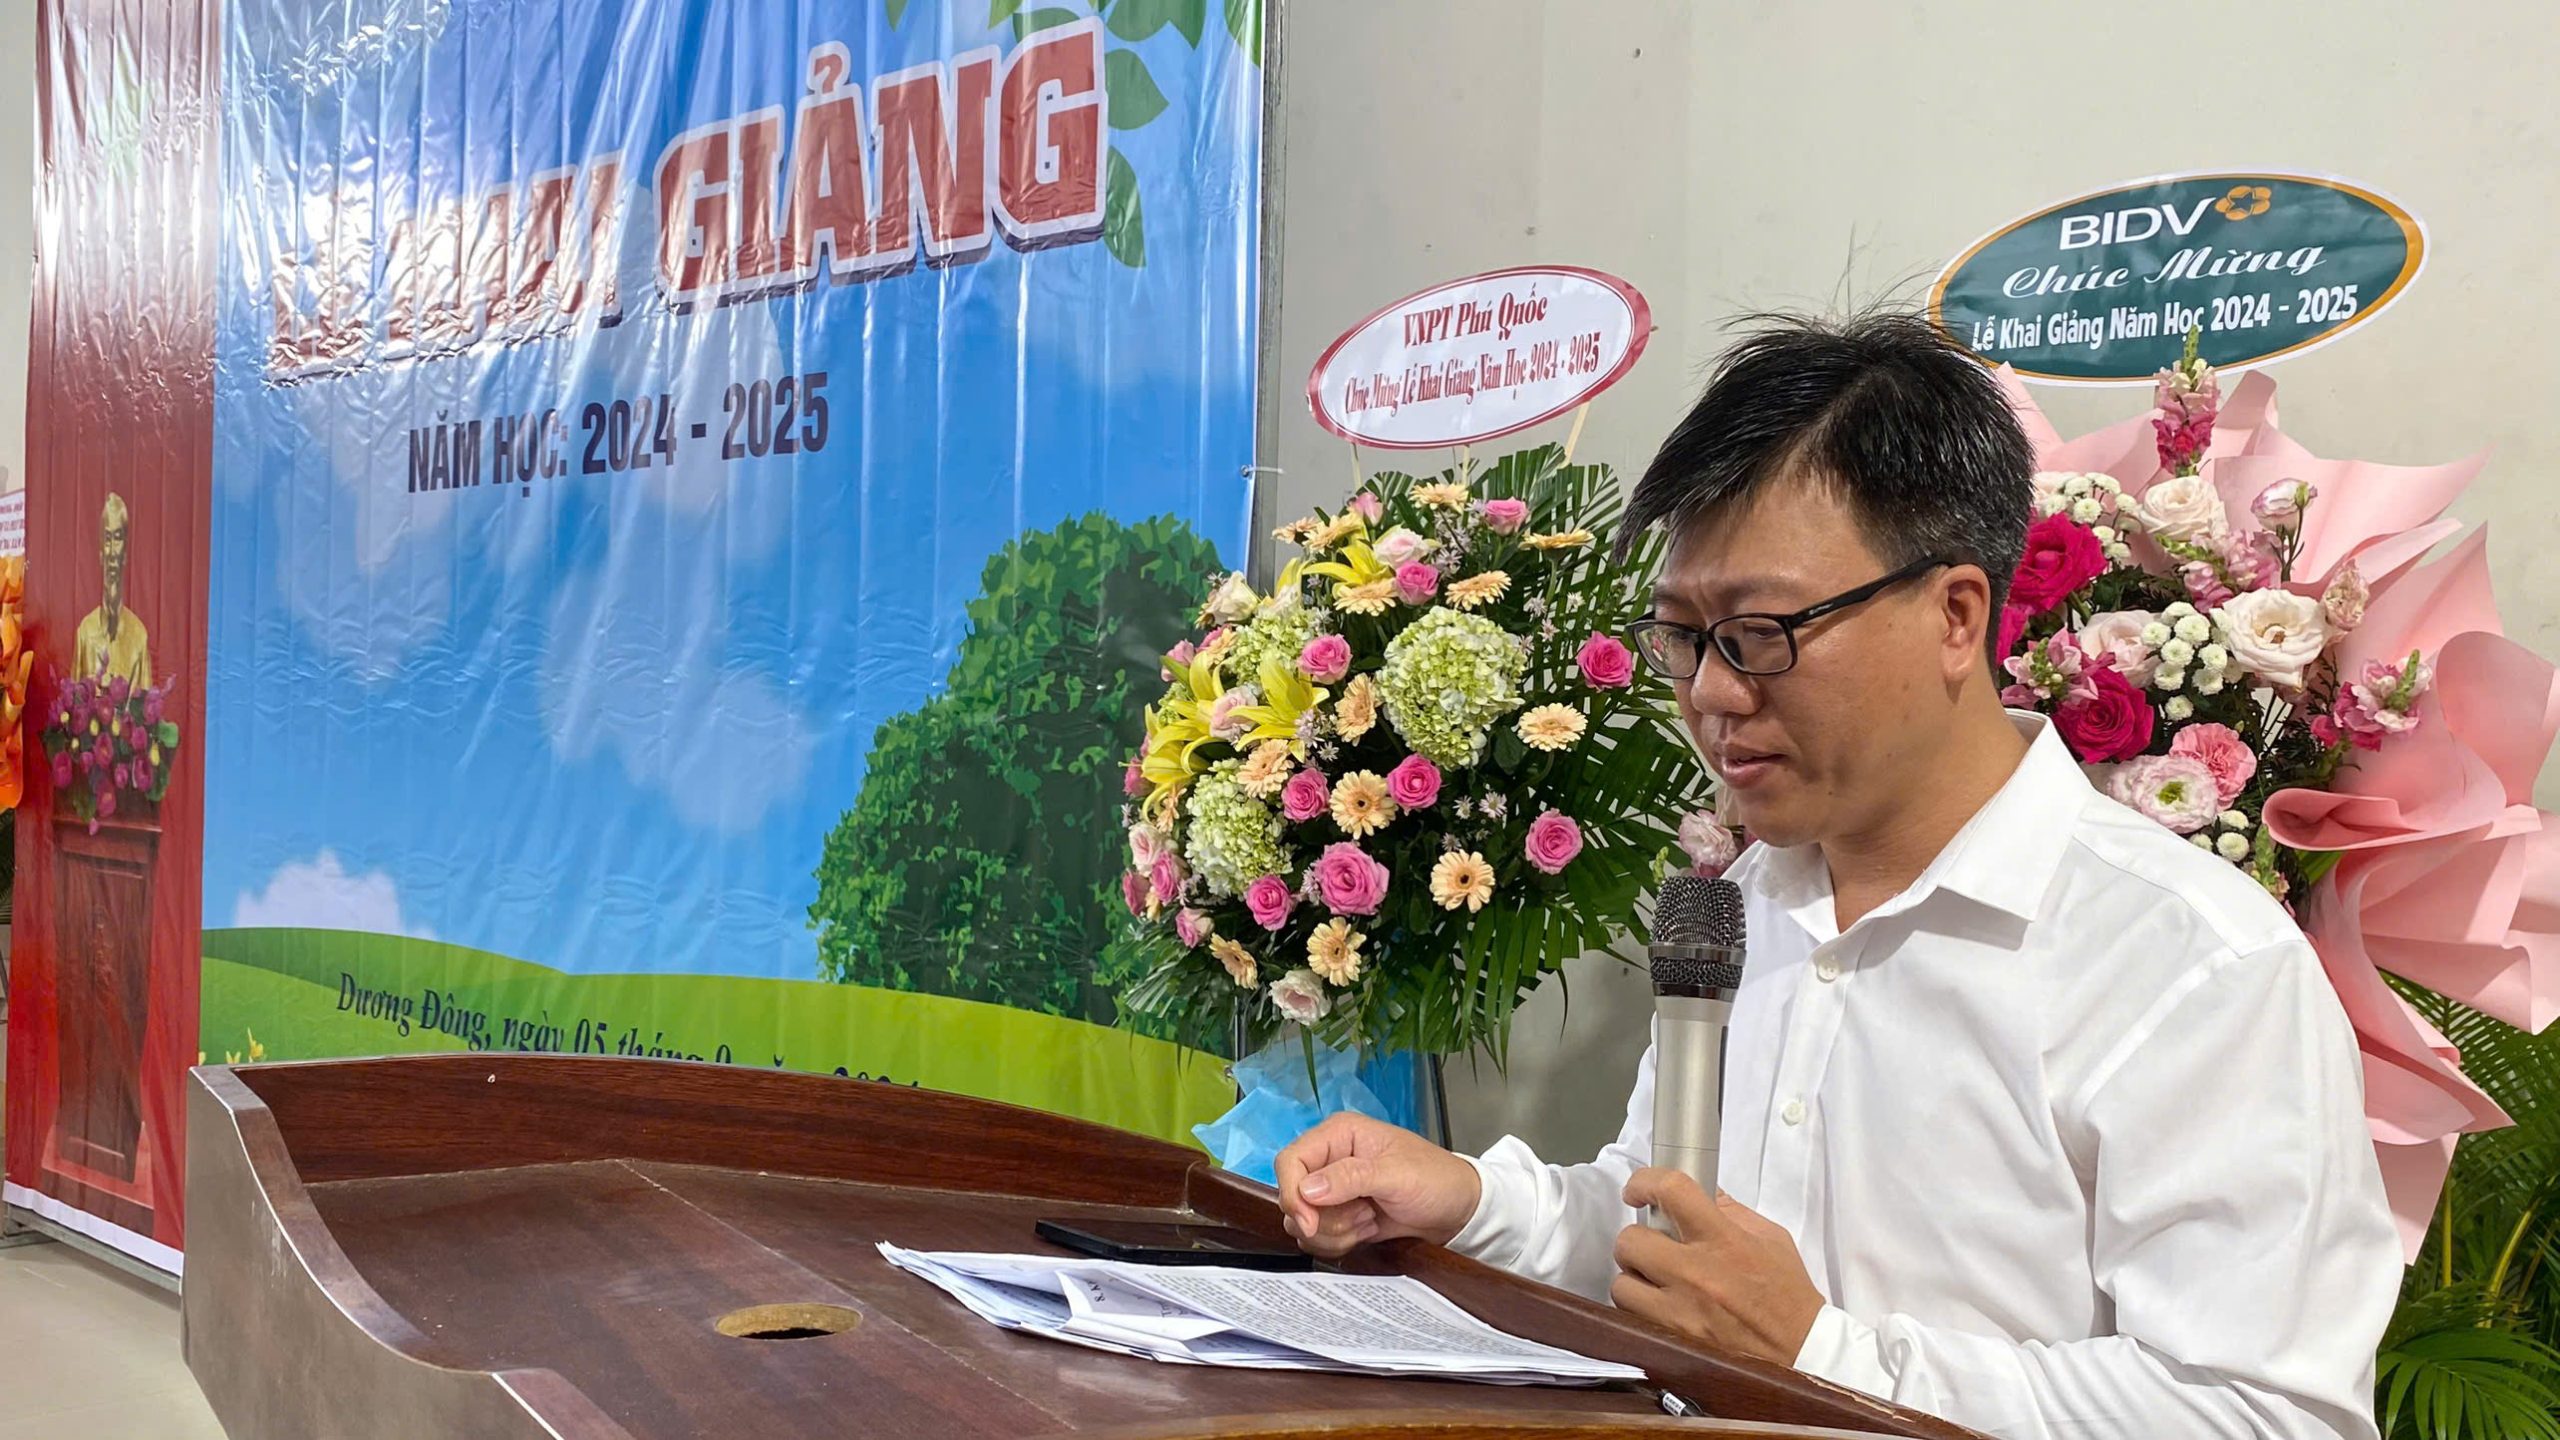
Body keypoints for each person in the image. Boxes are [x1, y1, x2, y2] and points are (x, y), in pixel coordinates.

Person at [1273, 311, 2398, 1439]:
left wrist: (1818, 1357)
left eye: (1760, 632)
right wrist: (1471, 1202)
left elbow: (2265, 1414)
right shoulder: (1743, 909)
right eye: (1681, 636)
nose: (1712, 694)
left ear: (1954, 614)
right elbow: (1671, 1236)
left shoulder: (2190, 962)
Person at [72, 492, 151, 688]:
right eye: (107, 539)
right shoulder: (85, 631)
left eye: (118, 538)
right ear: (100, 554)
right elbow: (72, 701)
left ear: (125, 554)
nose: (113, 551)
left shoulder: (139, 635)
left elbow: (148, 703)